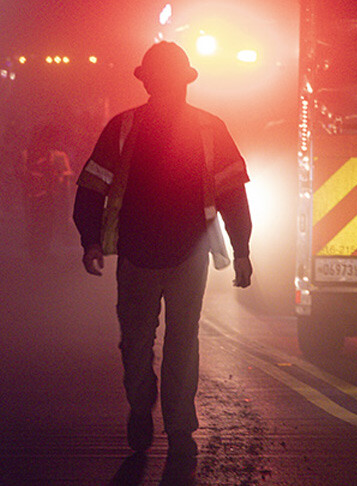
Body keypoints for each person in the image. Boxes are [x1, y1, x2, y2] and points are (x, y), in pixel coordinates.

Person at [72, 41, 253, 465]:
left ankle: (176, 426)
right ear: (153, 83)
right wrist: (90, 239)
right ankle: (148, 411)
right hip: (147, 254)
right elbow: (92, 188)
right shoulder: (125, 128)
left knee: (157, 342)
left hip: (177, 255)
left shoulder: (202, 128)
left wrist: (242, 247)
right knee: (157, 343)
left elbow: (231, 193)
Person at [20, 124, 73, 256]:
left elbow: (65, 174)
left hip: (47, 194)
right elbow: (23, 173)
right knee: (38, 222)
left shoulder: (57, 155)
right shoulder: (31, 154)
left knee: (45, 222)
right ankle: (37, 248)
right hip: (37, 195)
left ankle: (42, 249)